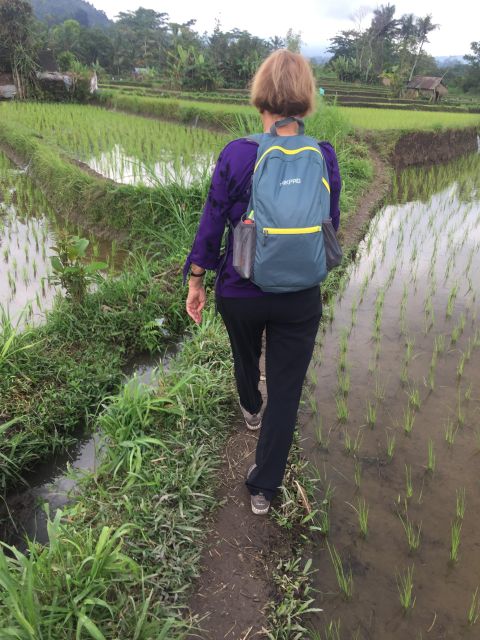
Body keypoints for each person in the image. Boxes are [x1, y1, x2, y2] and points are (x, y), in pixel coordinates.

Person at [184, 49, 341, 515]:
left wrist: (197, 278)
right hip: (300, 296)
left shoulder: (237, 153)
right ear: (306, 99)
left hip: (241, 289)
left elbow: (212, 224)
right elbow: (329, 222)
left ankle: (250, 407)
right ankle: (263, 488)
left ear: (260, 97)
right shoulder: (323, 155)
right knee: (288, 391)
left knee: (245, 354)